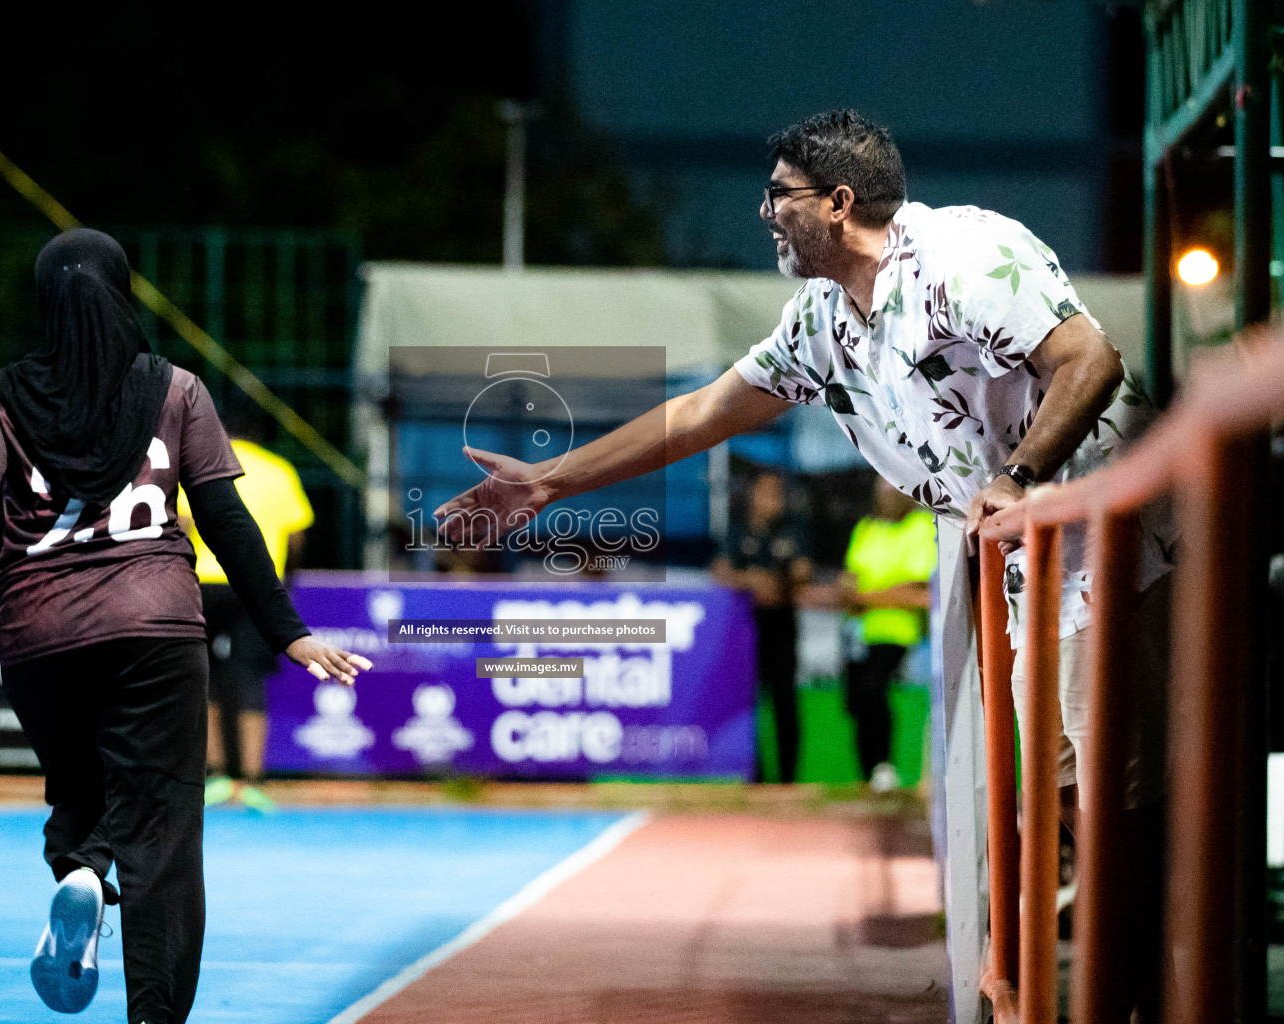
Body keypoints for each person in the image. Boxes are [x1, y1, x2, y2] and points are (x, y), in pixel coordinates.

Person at [434, 110, 1172, 1022]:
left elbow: (1089, 357)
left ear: (838, 200)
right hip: (1022, 559)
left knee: (1109, 800)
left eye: (779, 196)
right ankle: (1120, 980)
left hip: (1101, 533)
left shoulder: (966, 257)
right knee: (1069, 796)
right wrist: (549, 482)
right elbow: (706, 411)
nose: (764, 213)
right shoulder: (824, 317)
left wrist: (1019, 481)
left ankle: (1149, 990)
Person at [0, 229, 370, 1024]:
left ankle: (79, 868)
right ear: (124, 293)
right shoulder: (175, 390)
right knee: (163, 833)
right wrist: (288, 632)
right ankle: (150, 1013)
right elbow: (225, 519)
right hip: (156, 630)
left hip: (39, 636)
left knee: (81, 787)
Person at [177, 416, 315, 809]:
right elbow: (297, 534)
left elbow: (182, 524)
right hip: (256, 585)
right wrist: (280, 580)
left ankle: (216, 776)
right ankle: (253, 781)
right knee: (250, 679)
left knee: (201, 676)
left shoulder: (200, 466)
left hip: (201, 582)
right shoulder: (279, 470)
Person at [711, 471, 812, 782]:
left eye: (778, 494)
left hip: (782, 627)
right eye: (767, 493)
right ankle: (753, 774)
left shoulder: (791, 532)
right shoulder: (738, 533)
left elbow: (803, 570)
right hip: (746, 632)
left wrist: (781, 582)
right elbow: (721, 570)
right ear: (752, 497)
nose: (774, 501)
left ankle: (788, 779)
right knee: (746, 702)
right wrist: (750, 581)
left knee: (785, 701)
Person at [838, 477, 936, 793]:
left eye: (894, 489)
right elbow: (850, 581)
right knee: (856, 699)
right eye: (882, 490)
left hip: (901, 631)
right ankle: (867, 773)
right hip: (858, 632)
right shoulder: (867, 528)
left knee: (874, 688)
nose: (888, 497)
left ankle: (884, 765)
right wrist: (864, 593)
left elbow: (918, 586)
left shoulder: (922, 527)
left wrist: (866, 596)